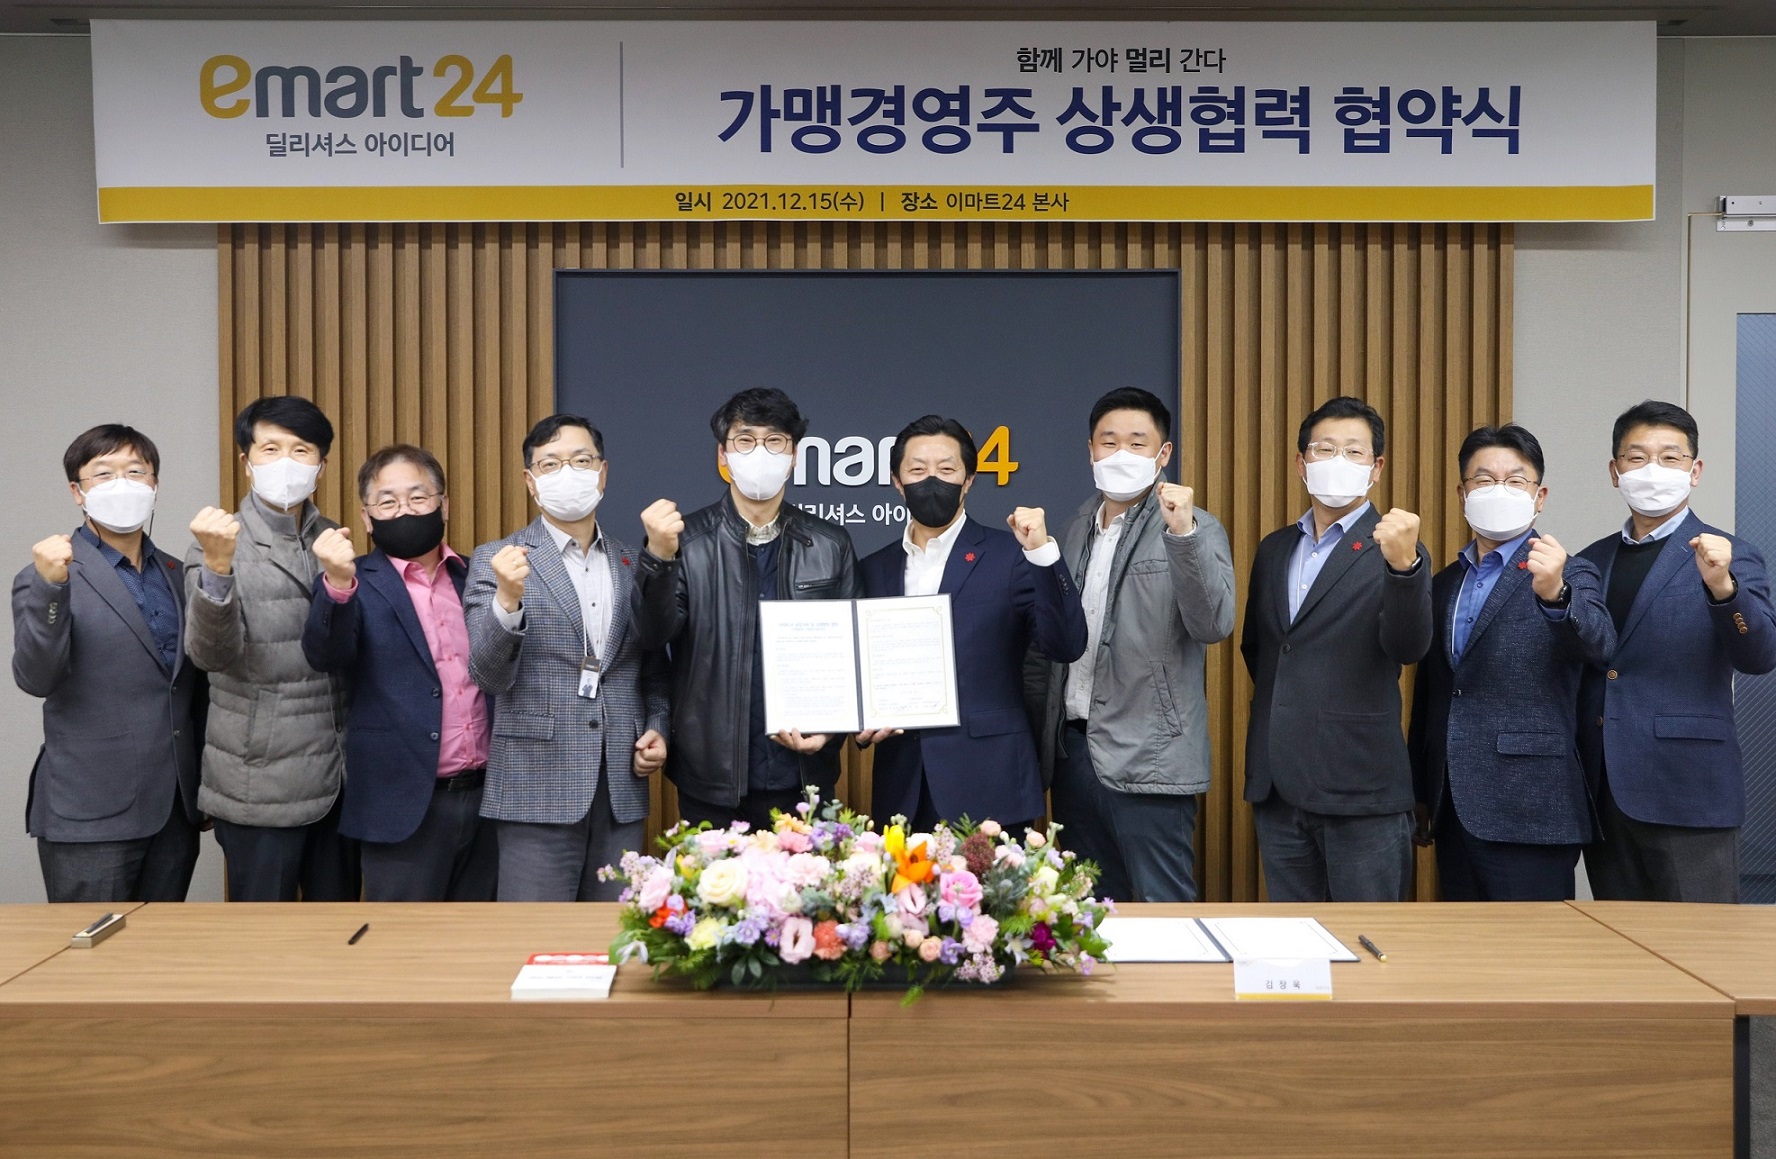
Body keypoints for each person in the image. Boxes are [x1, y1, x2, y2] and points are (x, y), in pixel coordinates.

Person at [1029, 388, 1235, 902]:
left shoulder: (1195, 527)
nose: (1121, 454)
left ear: (1163, 454)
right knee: (1090, 913)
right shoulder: (1075, 527)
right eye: (1109, 442)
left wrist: (1182, 534)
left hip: (1151, 758)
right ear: (1090, 451)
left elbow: (1213, 624)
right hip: (1075, 752)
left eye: (1137, 443)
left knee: (1164, 909)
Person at [633, 388, 860, 831]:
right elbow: (650, 635)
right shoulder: (686, 541)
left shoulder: (831, 544)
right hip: (709, 777)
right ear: (724, 455)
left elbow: (854, 656)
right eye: (745, 440)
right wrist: (658, 558)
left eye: (775, 441)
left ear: (793, 456)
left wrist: (834, 727)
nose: (760, 452)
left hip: (804, 775)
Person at [1576, 400, 1776, 903]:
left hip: (1689, 790)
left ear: (1695, 471)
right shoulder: (1590, 561)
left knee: (1703, 942)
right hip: (1605, 789)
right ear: (1615, 471)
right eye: (1637, 457)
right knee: (1620, 943)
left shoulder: (1728, 553)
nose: (1653, 470)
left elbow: (1760, 655)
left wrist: (1724, 588)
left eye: (1670, 457)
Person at [464, 414, 669, 901]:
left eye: (581, 461)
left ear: (602, 472)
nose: (568, 473)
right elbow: (487, 675)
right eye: (551, 464)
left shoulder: (631, 562)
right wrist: (507, 600)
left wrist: (658, 725)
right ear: (530, 481)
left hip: (620, 783)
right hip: (535, 786)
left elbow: (652, 666)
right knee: (533, 936)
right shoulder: (498, 559)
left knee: (616, 934)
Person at [1408, 424, 1615, 902]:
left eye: (1515, 480)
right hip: (1451, 804)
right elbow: (1431, 691)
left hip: (1533, 807)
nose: (1498, 490)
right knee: (1464, 945)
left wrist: (1557, 594)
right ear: (1462, 494)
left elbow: (1600, 644)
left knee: (1534, 946)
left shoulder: (1570, 571)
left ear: (1539, 497)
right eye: (1483, 480)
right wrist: (1420, 787)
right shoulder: (1444, 582)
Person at [1241, 395, 1431, 903]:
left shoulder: (1398, 550)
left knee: (1367, 940)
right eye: (1324, 449)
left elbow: (1409, 647)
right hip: (1278, 785)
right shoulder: (1275, 548)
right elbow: (1261, 651)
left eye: (1353, 451)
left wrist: (1405, 569)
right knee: (1293, 938)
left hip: (1361, 789)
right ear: (1301, 462)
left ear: (1376, 468)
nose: (1337, 461)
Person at [857, 414, 1086, 833]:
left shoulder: (1011, 555)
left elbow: (1066, 644)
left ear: (968, 480)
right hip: (903, 787)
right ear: (897, 481)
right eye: (917, 470)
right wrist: (858, 718)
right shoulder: (873, 569)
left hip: (990, 783)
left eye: (946, 470)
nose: (932, 481)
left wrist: (1042, 554)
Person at [12, 424, 203, 903]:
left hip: (175, 808)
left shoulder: (178, 573)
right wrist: (52, 588)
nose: (123, 484)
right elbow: (36, 677)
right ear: (77, 492)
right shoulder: (48, 574)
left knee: (162, 946)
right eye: (103, 473)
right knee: (91, 948)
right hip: (90, 809)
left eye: (136, 472)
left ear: (154, 485)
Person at [302, 445, 497, 902]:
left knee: (482, 937)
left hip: (489, 799)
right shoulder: (352, 582)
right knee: (402, 940)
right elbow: (326, 654)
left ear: (443, 506)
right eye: (387, 502)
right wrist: (337, 583)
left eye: (418, 497)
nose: (404, 510)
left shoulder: (478, 576)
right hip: (401, 804)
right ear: (367, 517)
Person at [185, 396, 356, 902]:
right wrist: (218, 569)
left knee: (337, 931)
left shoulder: (332, 536)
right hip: (258, 781)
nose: (286, 462)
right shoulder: (217, 543)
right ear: (247, 461)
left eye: (301, 451)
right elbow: (210, 655)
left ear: (321, 466)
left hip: (337, 778)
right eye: (270, 448)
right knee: (261, 937)